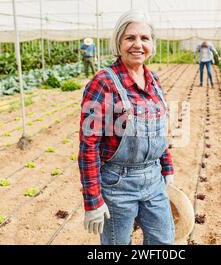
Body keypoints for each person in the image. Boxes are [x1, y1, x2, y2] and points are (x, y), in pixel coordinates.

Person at [78, 9, 175, 245]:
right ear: (118, 42)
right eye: (130, 38)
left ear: (152, 43)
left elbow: (158, 131)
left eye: (144, 38)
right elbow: (89, 145)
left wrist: (167, 167)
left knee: (163, 242)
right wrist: (93, 200)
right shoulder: (103, 83)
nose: (138, 44)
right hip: (117, 184)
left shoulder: (154, 81)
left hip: (154, 179)